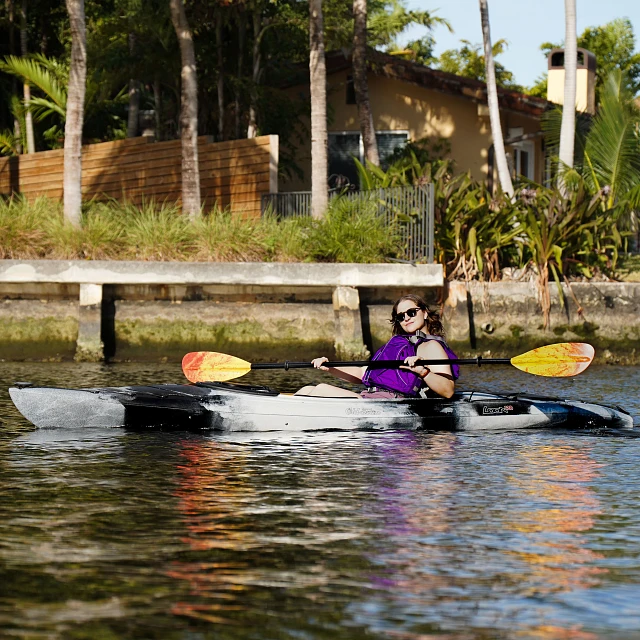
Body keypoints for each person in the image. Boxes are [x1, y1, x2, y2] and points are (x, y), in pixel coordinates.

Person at [295, 294, 458, 399]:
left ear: (424, 313)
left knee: (322, 390)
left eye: (411, 312)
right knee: (307, 390)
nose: (406, 318)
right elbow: (362, 373)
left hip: (391, 404)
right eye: (401, 317)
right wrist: (329, 367)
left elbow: (448, 390)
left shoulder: (431, 346)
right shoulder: (399, 344)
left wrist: (423, 371)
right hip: (370, 399)